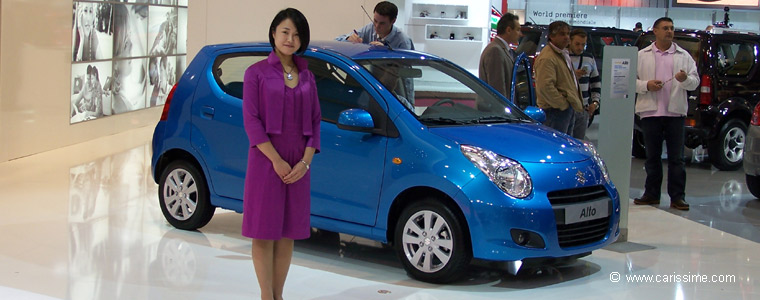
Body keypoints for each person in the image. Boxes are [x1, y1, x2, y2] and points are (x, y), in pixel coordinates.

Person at [242, 8, 321, 300]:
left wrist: (305, 162)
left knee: (288, 232)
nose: (290, 39)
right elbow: (251, 121)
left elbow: (315, 122)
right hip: (266, 162)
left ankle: (279, 294)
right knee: (264, 232)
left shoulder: (308, 77)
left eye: (297, 34)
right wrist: (276, 160)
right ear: (274, 33)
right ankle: (266, 296)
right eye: (285, 32)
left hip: (299, 166)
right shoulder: (256, 73)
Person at [633, 17, 699, 211]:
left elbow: (694, 82)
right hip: (650, 113)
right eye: (665, 28)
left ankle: (678, 197)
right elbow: (630, 81)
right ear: (655, 31)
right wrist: (647, 85)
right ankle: (651, 194)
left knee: (676, 159)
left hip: (675, 114)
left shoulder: (683, 56)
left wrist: (685, 79)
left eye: (671, 28)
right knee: (652, 157)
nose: (669, 31)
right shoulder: (641, 55)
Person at [534, 21, 583, 135]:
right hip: (554, 111)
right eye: (562, 34)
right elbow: (545, 87)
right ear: (551, 36)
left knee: (565, 146)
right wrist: (562, 104)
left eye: (567, 34)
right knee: (557, 148)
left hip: (563, 110)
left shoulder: (561, 54)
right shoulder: (548, 57)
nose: (566, 37)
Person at [336, 1, 414, 50]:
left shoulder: (403, 41)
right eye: (375, 21)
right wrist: (348, 39)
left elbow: (405, 68)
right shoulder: (369, 28)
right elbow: (336, 40)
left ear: (393, 21)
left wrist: (385, 52)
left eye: (382, 23)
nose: (376, 26)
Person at [568, 29, 601, 140]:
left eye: (583, 45)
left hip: (584, 108)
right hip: (566, 107)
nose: (580, 48)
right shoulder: (563, 57)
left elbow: (595, 82)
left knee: (579, 141)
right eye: (577, 44)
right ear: (570, 42)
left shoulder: (589, 58)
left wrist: (595, 103)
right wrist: (572, 75)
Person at [478, 13, 521, 99]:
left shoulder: (502, 49)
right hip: (494, 110)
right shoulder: (495, 50)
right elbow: (497, 88)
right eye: (518, 30)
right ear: (508, 30)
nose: (520, 34)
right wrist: (504, 110)